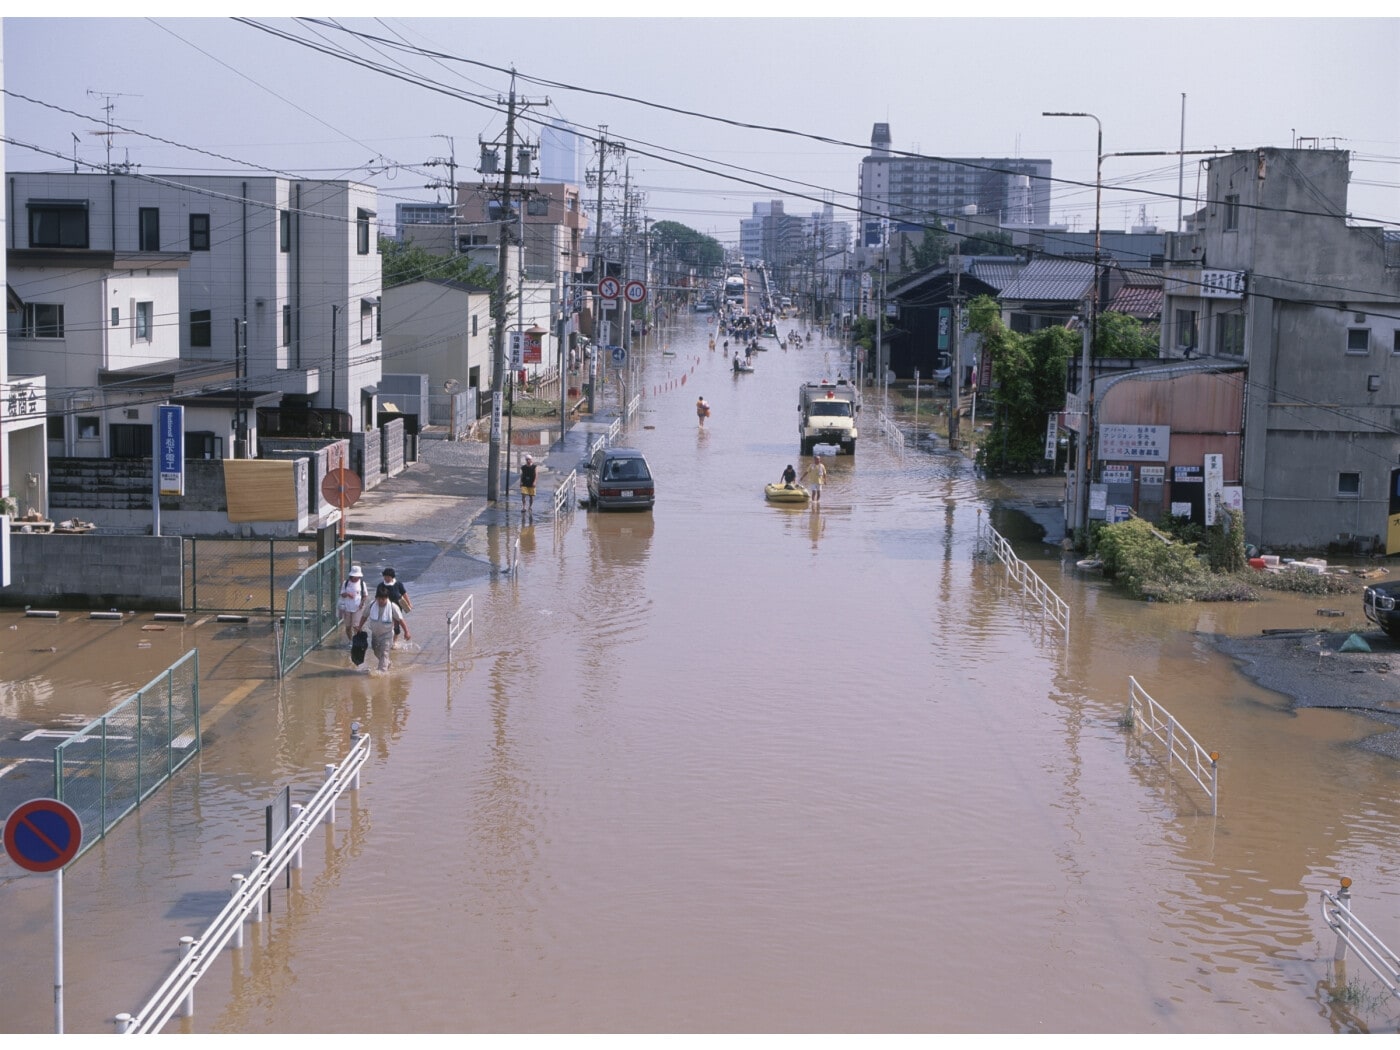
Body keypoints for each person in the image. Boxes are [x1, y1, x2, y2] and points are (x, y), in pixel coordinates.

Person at [357, 583, 411, 672]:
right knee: (376, 651)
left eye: (383, 599)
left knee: (384, 653)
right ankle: (387, 663)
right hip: (375, 634)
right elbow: (364, 616)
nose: (381, 601)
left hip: (387, 635)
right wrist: (359, 627)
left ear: (387, 598)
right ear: (376, 598)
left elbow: (401, 620)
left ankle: (381, 673)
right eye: (379, 599)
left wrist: (406, 632)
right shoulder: (371, 605)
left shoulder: (393, 607)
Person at [338, 564, 368, 644]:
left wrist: (362, 603)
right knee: (348, 627)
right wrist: (348, 594)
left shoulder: (362, 583)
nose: (356, 578)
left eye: (357, 577)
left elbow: (365, 595)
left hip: (358, 607)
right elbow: (342, 594)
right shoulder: (346, 583)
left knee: (356, 626)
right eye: (355, 576)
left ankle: (357, 641)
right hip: (347, 607)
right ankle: (351, 641)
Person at [382, 566, 411, 642]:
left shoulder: (398, 584)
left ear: (392, 577)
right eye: (385, 577)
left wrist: (409, 603)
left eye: (388, 577)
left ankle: (394, 642)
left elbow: (404, 594)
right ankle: (386, 640)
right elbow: (377, 597)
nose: (386, 579)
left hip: (397, 607)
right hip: (385, 607)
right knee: (386, 624)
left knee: (396, 626)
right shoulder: (381, 585)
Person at [519, 454, 538, 521]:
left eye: (529, 459)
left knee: (531, 496)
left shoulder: (534, 467)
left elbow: (536, 475)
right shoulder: (523, 467)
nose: (528, 461)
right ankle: (524, 507)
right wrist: (520, 482)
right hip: (525, 483)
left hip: (531, 483)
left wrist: (535, 482)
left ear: (531, 460)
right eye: (527, 460)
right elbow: (522, 475)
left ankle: (530, 506)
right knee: (523, 495)